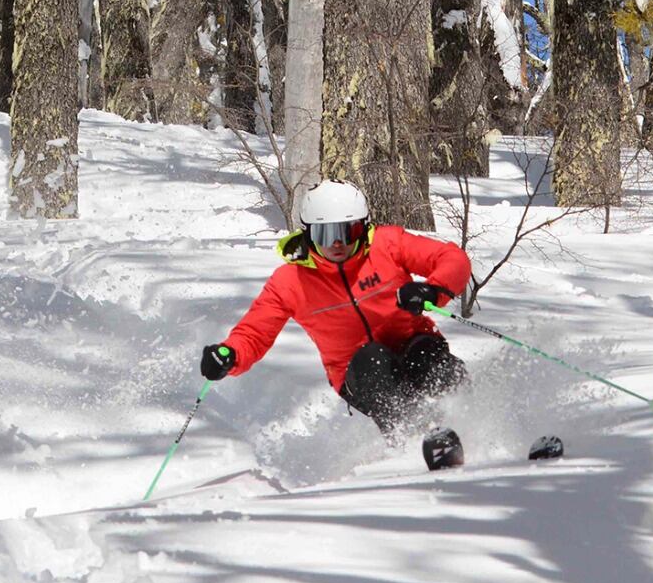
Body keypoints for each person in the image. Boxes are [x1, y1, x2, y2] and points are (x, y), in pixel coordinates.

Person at [200, 179, 472, 450]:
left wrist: (432, 290)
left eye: (348, 231)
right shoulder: (290, 281)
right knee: (373, 360)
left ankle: (471, 422)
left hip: (414, 344)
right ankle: (413, 441)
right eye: (325, 234)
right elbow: (255, 332)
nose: (337, 243)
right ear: (308, 234)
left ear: (363, 228)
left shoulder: (387, 245)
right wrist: (231, 355)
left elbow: (451, 258)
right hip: (359, 373)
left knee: (429, 360)